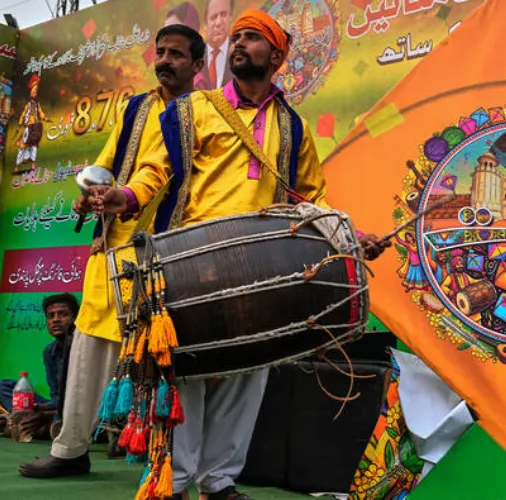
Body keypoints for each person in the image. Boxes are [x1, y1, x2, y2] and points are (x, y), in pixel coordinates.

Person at [88, 9, 388, 499]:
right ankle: (174, 482)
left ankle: (219, 481)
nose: (241, 44)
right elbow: (155, 169)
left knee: (248, 371)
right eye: (238, 37)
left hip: (265, 262)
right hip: (193, 258)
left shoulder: (293, 126)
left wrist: (352, 235)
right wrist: (126, 197)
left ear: (277, 55)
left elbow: (310, 198)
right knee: (188, 372)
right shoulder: (195, 108)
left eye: (253, 37)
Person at [18, 24, 205, 479]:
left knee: (163, 359)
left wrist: (128, 196)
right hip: (114, 244)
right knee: (87, 349)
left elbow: (171, 174)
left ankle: (167, 465)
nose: (165, 61)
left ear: (199, 64)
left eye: (177, 54)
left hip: (169, 248)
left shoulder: (204, 112)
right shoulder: (136, 108)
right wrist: (90, 196)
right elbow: (104, 166)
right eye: (160, 52)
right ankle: (70, 450)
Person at [0, 293, 78, 438]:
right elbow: (56, 395)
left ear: (75, 319)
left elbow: (83, 397)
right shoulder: (49, 351)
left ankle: (40, 425)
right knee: (4, 386)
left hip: (80, 407)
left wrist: (46, 411)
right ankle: (31, 421)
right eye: (51, 316)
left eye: (63, 314)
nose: (56, 320)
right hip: (58, 405)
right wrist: (40, 408)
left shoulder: (83, 349)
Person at [195, 0, 234, 90]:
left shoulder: (240, 52)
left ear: (230, 18)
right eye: (213, 17)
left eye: (223, 15)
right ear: (205, 25)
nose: (218, 22)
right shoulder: (194, 57)